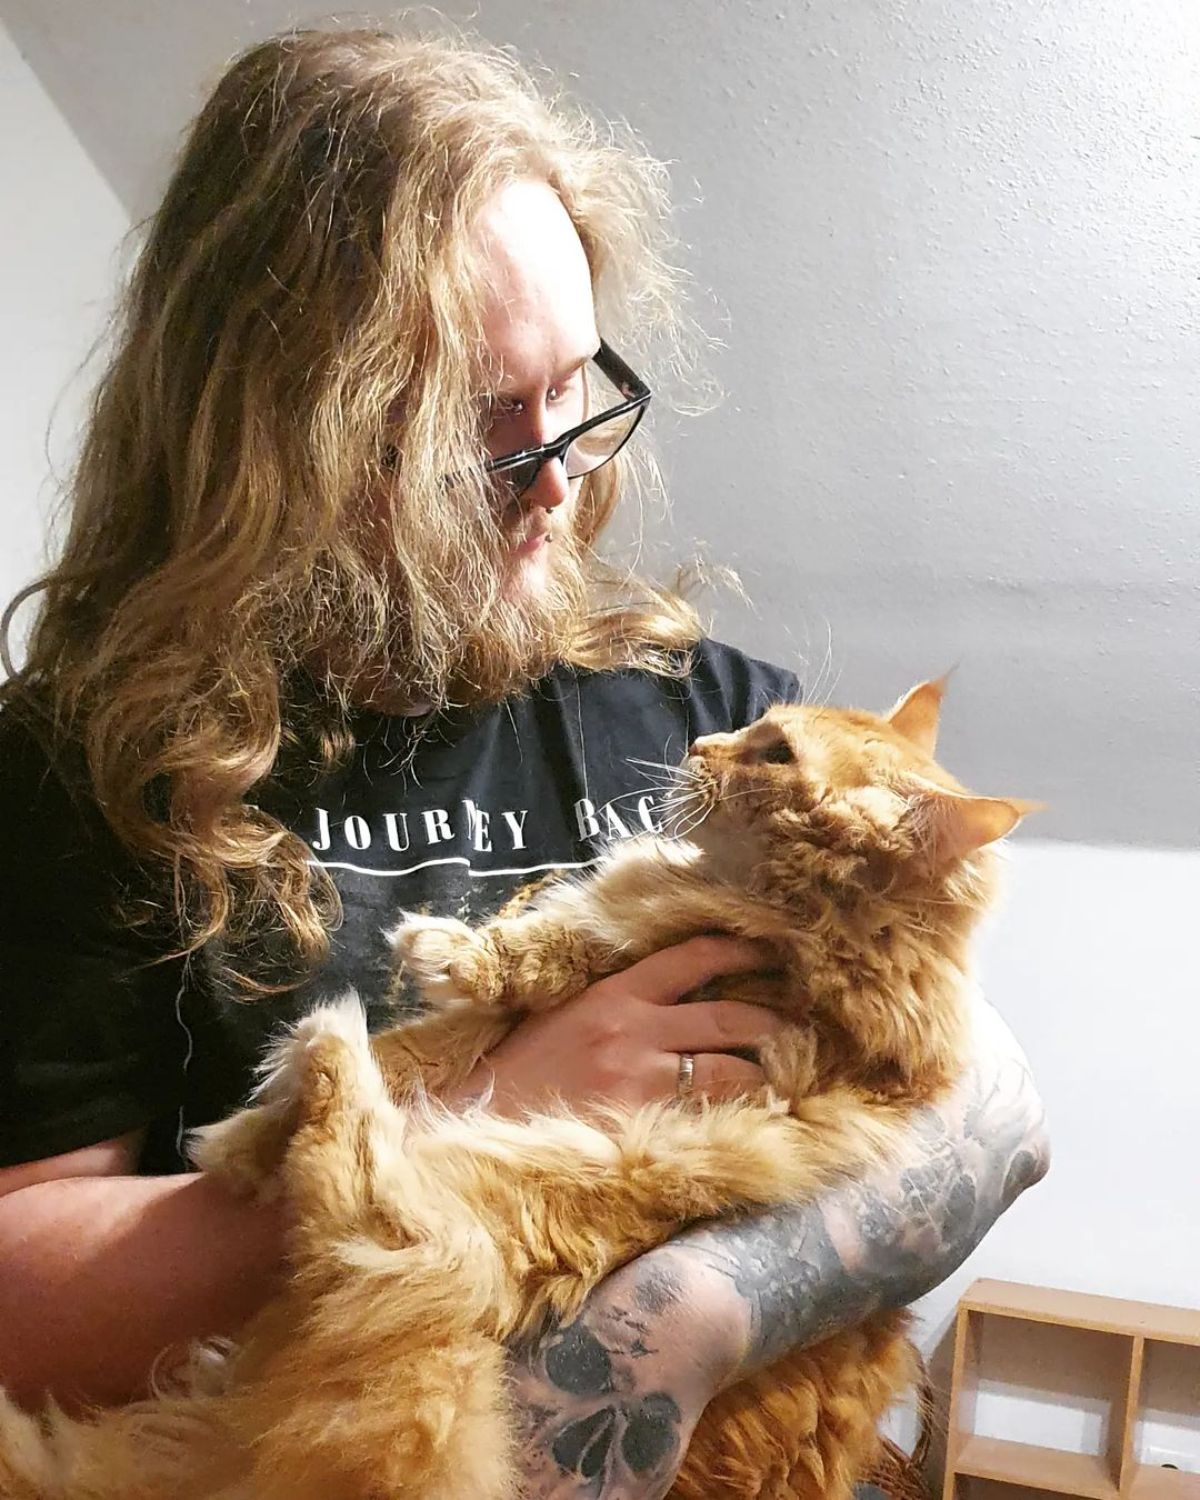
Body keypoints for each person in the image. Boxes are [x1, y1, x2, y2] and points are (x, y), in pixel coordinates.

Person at [0, 26, 1048, 1498]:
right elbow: (22, 1306)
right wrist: (473, 1113)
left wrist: (683, 1326)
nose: (560, 476)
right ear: (269, 433)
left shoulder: (716, 715)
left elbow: (994, 1124)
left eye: (574, 388)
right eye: (474, 428)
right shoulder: (80, 773)